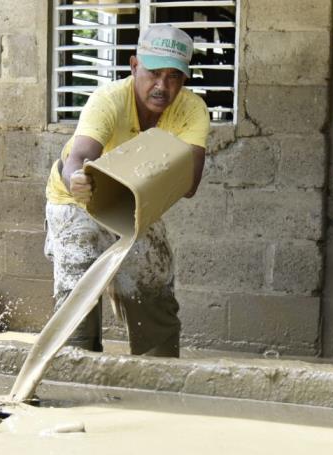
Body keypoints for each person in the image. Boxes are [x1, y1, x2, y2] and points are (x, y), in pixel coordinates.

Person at [43, 25, 209, 357]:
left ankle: (159, 374)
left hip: (135, 200)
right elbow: (77, 158)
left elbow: (189, 184)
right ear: (134, 66)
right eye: (153, 73)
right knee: (79, 285)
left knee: (152, 282)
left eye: (173, 77)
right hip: (78, 198)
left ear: (184, 80)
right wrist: (76, 178)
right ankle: (78, 365)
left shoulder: (191, 110)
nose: (162, 86)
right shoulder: (108, 100)